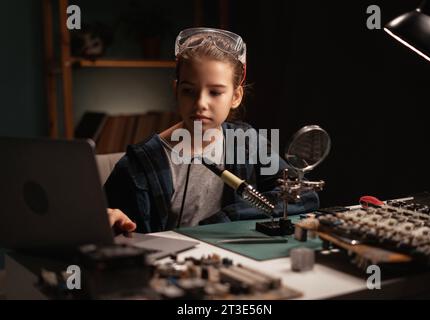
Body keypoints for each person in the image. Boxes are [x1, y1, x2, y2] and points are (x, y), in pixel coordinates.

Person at [104, 27, 319, 234]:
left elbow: (304, 196)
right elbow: (112, 229)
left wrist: (229, 216)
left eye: (215, 92)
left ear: (235, 97)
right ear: (176, 90)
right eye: (189, 91)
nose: (200, 103)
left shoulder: (247, 143)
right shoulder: (139, 165)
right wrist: (112, 220)